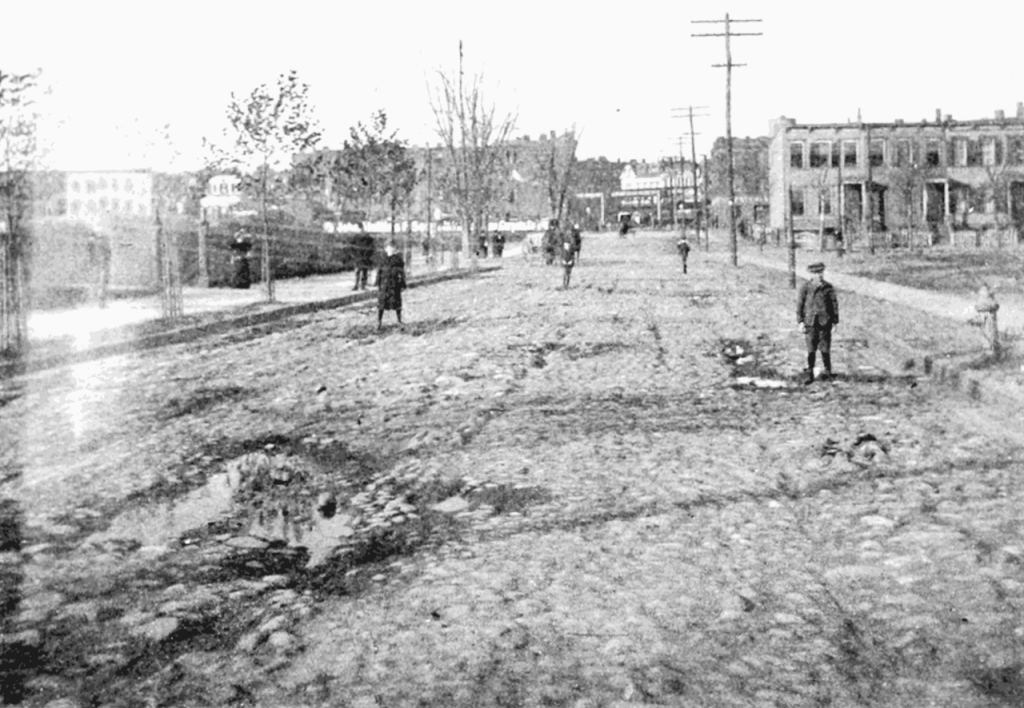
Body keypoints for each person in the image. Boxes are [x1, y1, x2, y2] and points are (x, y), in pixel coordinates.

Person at [796, 262, 839, 384]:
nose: (818, 275)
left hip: (825, 322)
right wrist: (800, 322)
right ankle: (810, 372)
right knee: (811, 349)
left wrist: (835, 322)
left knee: (825, 348)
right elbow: (800, 305)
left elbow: (834, 305)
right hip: (810, 322)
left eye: (820, 272)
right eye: (815, 273)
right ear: (810, 274)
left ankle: (828, 371)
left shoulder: (828, 288)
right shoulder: (805, 287)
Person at [376, 240, 406, 331]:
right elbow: (379, 272)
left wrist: (403, 283)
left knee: (397, 303)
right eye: (389, 247)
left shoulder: (398, 259)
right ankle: (379, 321)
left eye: (393, 247)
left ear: (395, 249)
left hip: (394, 284)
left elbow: (402, 272)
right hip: (384, 284)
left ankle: (399, 320)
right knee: (381, 304)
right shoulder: (382, 259)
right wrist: (378, 283)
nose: (391, 249)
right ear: (385, 249)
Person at [352, 224, 375, 291]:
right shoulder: (368, 236)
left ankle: (356, 285)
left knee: (357, 271)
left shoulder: (356, 236)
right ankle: (363, 285)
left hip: (358, 256)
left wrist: (353, 254)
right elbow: (372, 247)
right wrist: (369, 254)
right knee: (364, 271)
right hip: (365, 257)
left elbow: (352, 246)